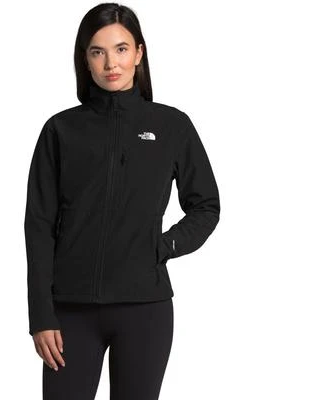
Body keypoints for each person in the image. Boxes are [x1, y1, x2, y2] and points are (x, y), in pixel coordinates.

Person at [24, 3, 220, 399]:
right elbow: (39, 225)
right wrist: (41, 315)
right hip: (71, 311)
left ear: (139, 54)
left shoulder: (171, 126)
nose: (110, 63)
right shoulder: (61, 130)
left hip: (144, 308)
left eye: (121, 49)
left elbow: (206, 205)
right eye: (98, 51)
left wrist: (164, 245)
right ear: (85, 58)